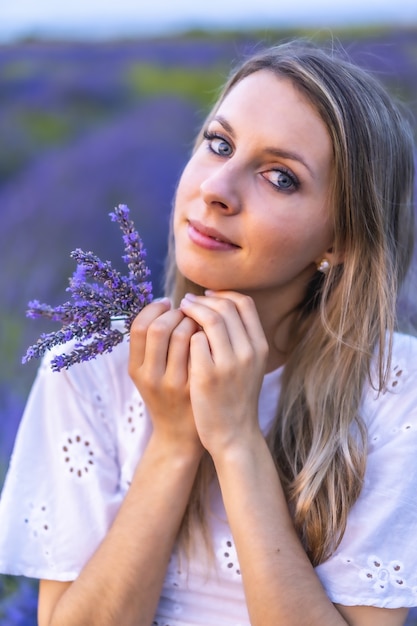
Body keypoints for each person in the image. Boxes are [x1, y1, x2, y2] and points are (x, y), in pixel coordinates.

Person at [0, 40, 416, 626]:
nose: (217, 188)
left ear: (340, 241)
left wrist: (237, 440)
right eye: (218, 144)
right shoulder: (88, 369)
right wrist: (173, 442)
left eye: (280, 177)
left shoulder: (394, 389)